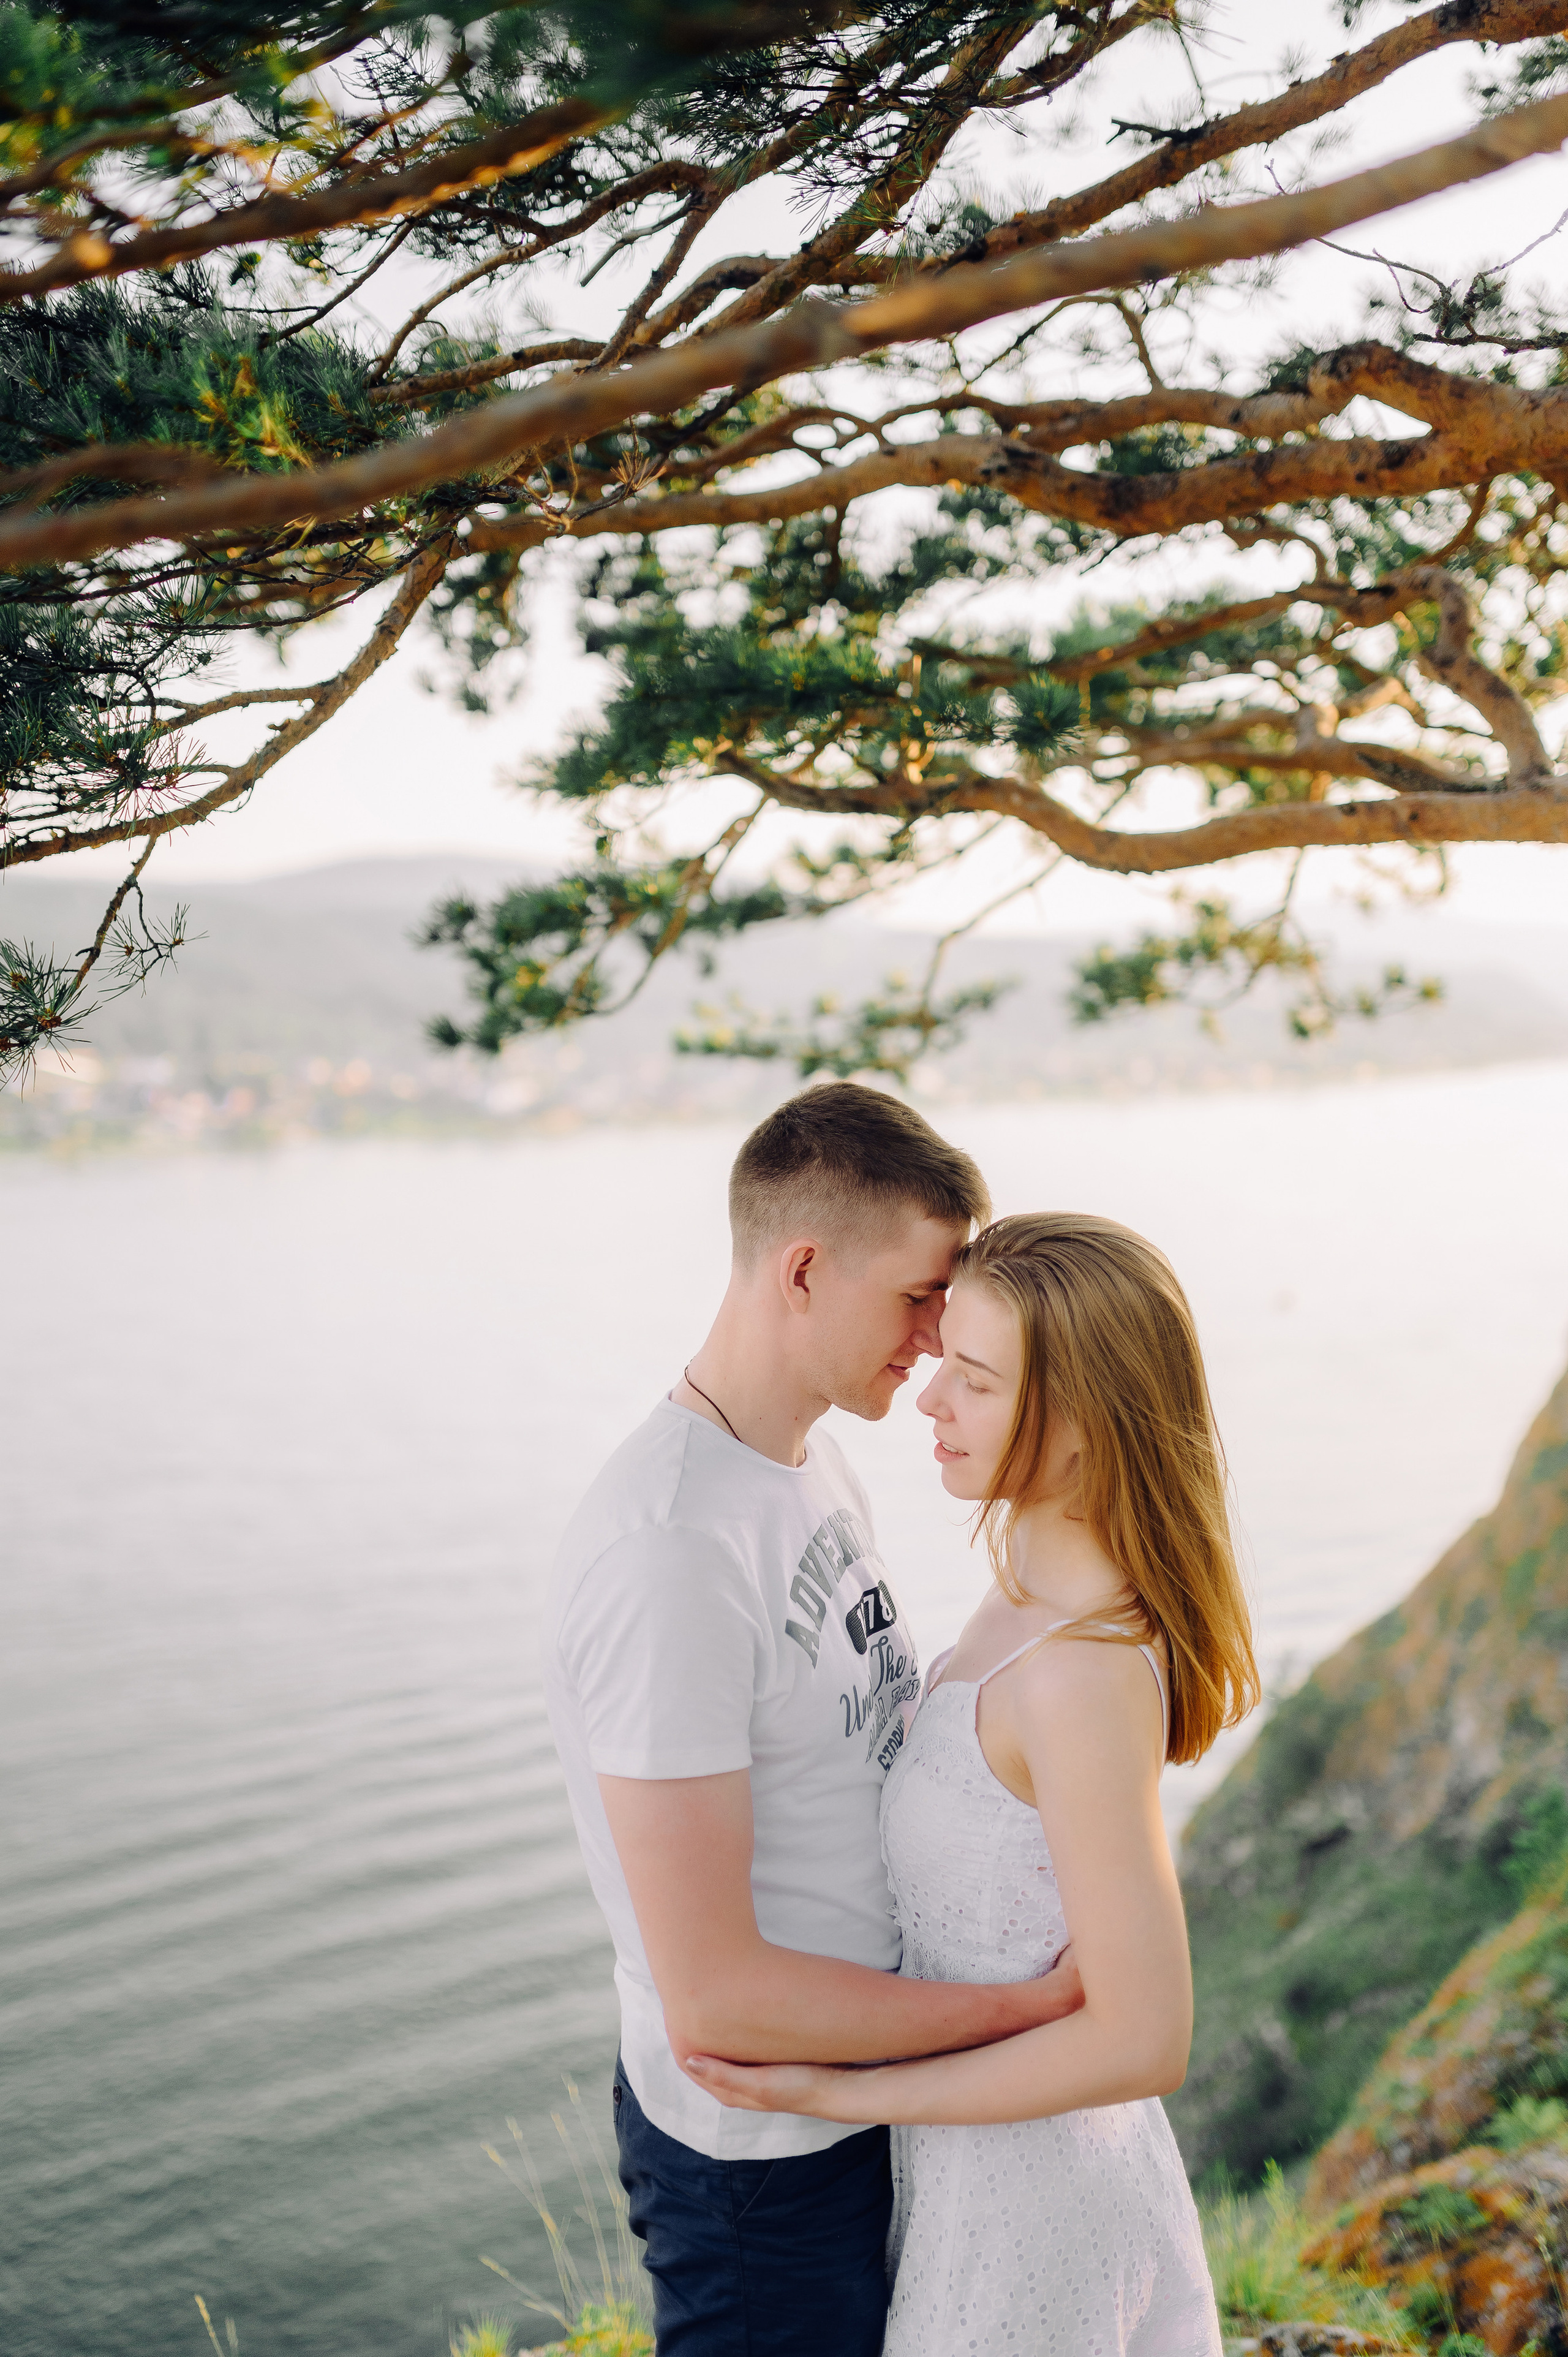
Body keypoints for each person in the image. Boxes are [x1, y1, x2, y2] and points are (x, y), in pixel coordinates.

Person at [544, 1086, 1086, 2357]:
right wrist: (1028, 2006)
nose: (936, 1333)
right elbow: (717, 1997)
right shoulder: (669, 1549)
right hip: (762, 2163)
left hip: (863, 2102)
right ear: (801, 1267)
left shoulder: (802, 1461)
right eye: (915, 1295)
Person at [688, 1211, 1261, 2356]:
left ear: (1086, 1425)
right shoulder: (1020, 1591)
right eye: (944, 1358)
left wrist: (845, 2093)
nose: (930, 1398)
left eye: (978, 1382)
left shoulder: (1082, 1676)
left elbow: (1146, 2037)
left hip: (1041, 2204)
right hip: (967, 2174)